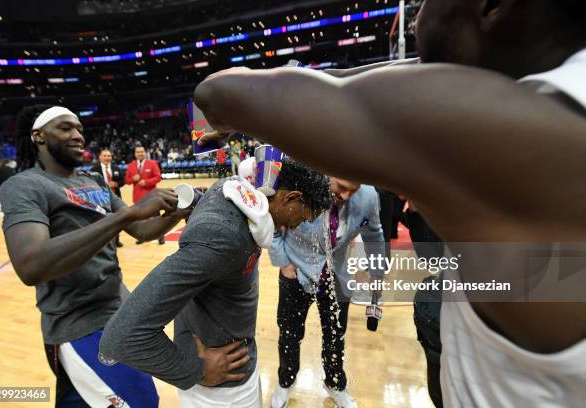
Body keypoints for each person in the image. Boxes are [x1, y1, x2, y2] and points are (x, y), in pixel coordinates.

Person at [192, 1, 586, 406]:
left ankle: (335, 383)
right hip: (308, 277)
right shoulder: (555, 103)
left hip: (342, 279)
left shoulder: (521, 131)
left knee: (352, 331)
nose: (417, 15)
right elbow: (368, 79)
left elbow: (218, 94)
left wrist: (236, 111)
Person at [100, 157, 331, 408]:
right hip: (220, 392)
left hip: (239, 366)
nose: (300, 224)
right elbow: (122, 336)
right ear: (290, 197)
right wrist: (195, 369)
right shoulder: (221, 235)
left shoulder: (234, 193)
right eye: (305, 216)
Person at [0, 105, 191, 407]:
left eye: (79, 129)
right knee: (142, 402)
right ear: (38, 136)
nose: (77, 136)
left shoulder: (95, 182)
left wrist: (180, 211)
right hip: (80, 324)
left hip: (118, 312)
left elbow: (141, 229)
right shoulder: (25, 185)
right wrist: (124, 215)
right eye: (65, 128)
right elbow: (30, 264)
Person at [269, 177, 384, 408]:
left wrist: (377, 271)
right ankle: (285, 380)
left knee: (335, 337)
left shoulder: (369, 196)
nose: (345, 196)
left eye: (353, 190)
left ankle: (335, 383)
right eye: (342, 187)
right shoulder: (298, 184)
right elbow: (270, 223)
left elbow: (374, 234)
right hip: (295, 270)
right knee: (289, 334)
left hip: (336, 276)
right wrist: (283, 263)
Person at [125, 145, 164, 244]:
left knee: (157, 218)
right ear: (135, 154)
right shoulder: (131, 165)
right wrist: (133, 179)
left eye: (142, 151)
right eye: (138, 152)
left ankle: (161, 237)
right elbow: (127, 180)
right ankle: (141, 237)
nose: (140, 153)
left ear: (145, 152)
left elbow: (158, 177)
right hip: (138, 197)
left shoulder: (152, 163)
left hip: (152, 196)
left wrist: (146, 182)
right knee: (141, 219)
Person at [91, 148, 126, 247]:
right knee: (102, 220)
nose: (107, 158)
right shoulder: (94, 170)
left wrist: (116, 184)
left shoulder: (116, 168)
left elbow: (123, 181)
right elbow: (90, 183)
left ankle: (117, 240)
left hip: (115, 198)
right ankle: (104, 242)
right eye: (105, 156)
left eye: (109, 156)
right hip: (100, 199)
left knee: (118, 219)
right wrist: (103, 186)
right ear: (100, 157)